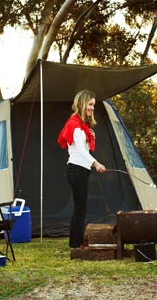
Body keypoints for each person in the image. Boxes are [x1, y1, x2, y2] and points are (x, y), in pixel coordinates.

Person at [57, 89, 106, 249]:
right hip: (76, 170)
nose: (92, 108)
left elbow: (83, 149)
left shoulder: (81, 126)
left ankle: (76, 242)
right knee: (80, 209)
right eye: (90, 104)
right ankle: (75, 244)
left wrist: (90, 137)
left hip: (80, 170)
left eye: (93, 105)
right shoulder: (75, 125)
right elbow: (81, 151)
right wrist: (96, 164)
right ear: (82, 103)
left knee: (80, 208)